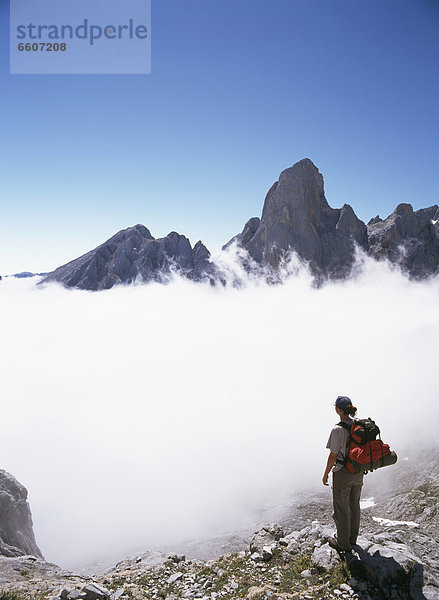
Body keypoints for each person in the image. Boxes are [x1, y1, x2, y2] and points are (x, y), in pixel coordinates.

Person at [322, 395, 364, 552]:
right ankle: (352, 539)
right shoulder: (358, 426)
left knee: (342, 508)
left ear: (338, 410)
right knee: (355, 505)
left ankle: (343, 544)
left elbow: (333, 455)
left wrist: (326, 474)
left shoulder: (337, 429)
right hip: (358, 472)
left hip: (342, 473)